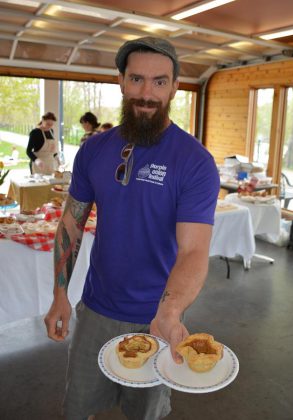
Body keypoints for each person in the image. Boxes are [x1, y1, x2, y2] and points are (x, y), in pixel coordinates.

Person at [44, 36, 220, 420]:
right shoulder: (94, 149)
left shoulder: (195, 162)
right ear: (121, 81)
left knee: (147, 414)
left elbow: (193, 251)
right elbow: (71, 223)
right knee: (77, 409)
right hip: (96, 311)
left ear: (174, 87)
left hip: (157, 316)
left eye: (160, 82)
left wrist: (170, 314)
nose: (147, 93)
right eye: (137, 79)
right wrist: (60, 294)